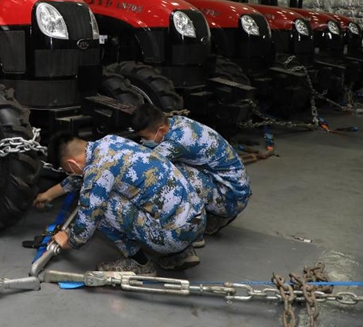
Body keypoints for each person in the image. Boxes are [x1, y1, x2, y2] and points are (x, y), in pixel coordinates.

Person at [34, 133, 206, 273]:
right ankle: (182, 253)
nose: (68, 173)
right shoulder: (109, 143)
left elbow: (87, 221)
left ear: (71, 163)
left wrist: (68, 239)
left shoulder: (96, 170)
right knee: (116, 191)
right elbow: (83, 176)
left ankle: (140, 264)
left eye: (66, 169)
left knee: (101, 208)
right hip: (197, 220)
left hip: (173, 235)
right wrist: (49, 194)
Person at [131, 104, 251, 241]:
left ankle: (191, 228)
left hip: (231, 198)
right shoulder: (176, 122)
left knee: (168, 174)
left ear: (162, 130)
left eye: (146, 137)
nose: (143, 141)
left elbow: (145, 168)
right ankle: (213, 214)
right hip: (234, 187)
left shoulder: (176, 142)